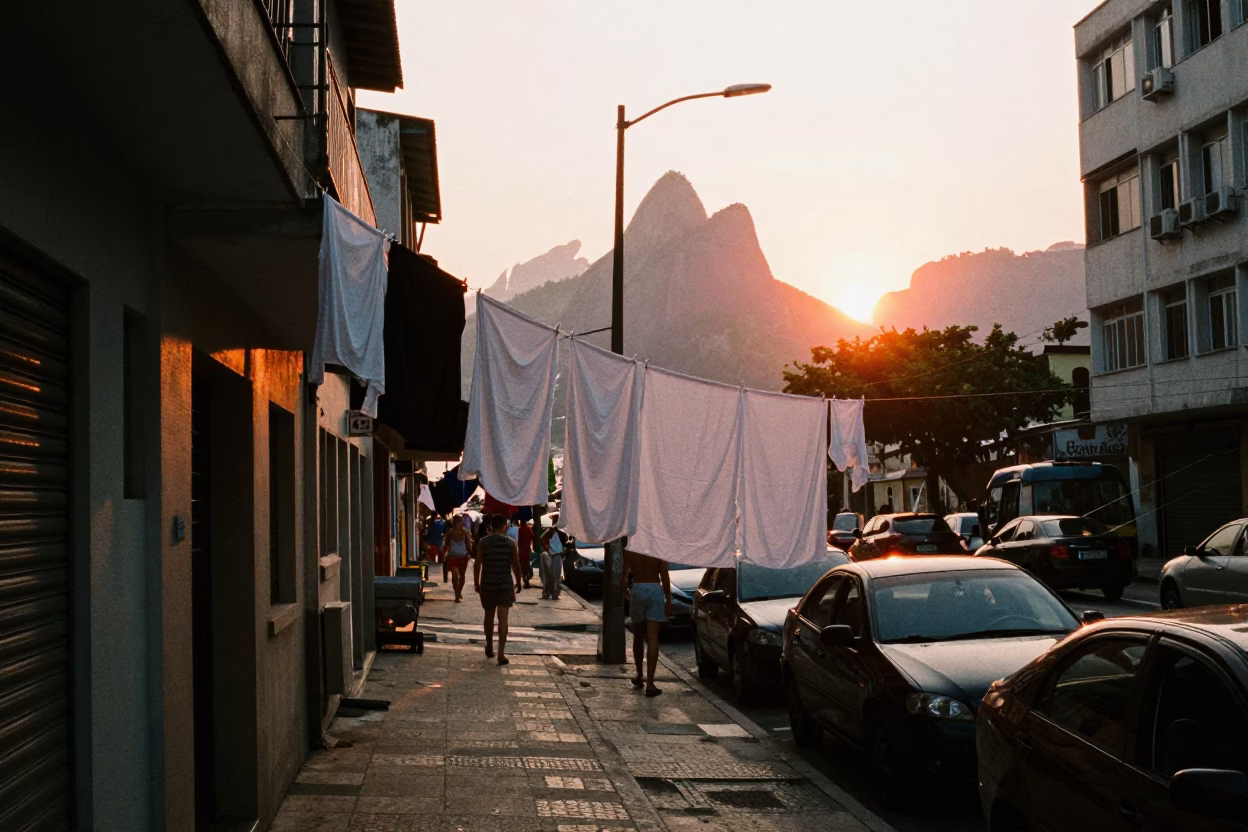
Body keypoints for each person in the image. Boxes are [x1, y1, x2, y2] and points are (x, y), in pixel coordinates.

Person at [474, 513, 523, 665]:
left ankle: (489, 646)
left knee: (489, 615)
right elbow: (516, 565)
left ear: (491, 526)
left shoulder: (483, 542)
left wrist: (477, 582)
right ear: (504, 526)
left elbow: (477, 564)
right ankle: (501, 654)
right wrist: (519, 581)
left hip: (488, 584)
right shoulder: (511, 543)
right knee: (503, 618)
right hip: (505, 585)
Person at [621, 548, 671, 697]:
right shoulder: (657, 547)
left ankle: (639, 675)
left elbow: (622, 580)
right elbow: (664, 574)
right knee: (653, 637)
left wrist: (630, 595)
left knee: (638, 635)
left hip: (638, 588)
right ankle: (650, 683)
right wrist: (668, 598)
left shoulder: (630, 549)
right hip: (655, 588)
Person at [442, 514, 473, 602]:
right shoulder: (450, 534)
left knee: (462, 576)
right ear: (455, 523)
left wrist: (471, 553)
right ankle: (456, 594)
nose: (461, 524)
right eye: (459, 522)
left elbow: (469, 544)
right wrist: (444, 556)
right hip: (453, 556)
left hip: (463, 556)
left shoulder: (465, 532)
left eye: (461, 522)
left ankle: (459, 591)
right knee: (455, 574)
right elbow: (445, 546)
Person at [539, 521, 567, 600]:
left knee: (554, 576)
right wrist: (547, 549)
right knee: (552, 576)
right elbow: (542, 538)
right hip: (554, 556)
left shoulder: (562, 532)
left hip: (556, 556)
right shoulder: (553, 530)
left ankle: (552, 593)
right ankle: (550, 593)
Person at [426, 515, 446, 581]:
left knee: (435, 550)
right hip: (437, 539)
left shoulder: (431, 523)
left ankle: (435, 560)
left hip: (433, 539)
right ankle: (440, 561)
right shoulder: (440, 524)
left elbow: (428, 532)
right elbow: (443, 532)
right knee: (439, 550)